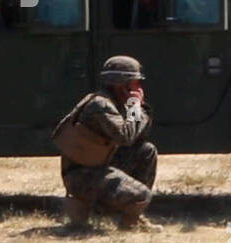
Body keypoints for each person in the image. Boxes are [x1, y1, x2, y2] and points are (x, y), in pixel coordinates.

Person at [59, 56, 163, 232]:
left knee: (146, 151)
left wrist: (139, 109)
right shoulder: (101, 105)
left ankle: (132, 216)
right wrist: (135, 108)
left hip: (99, 165)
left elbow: (139, 136)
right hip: (83, 175)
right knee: (142, 195)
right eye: (135, 82)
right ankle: (97, 211)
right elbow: (125, 137)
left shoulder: (115, 102)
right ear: (122, 84)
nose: (138, 87)